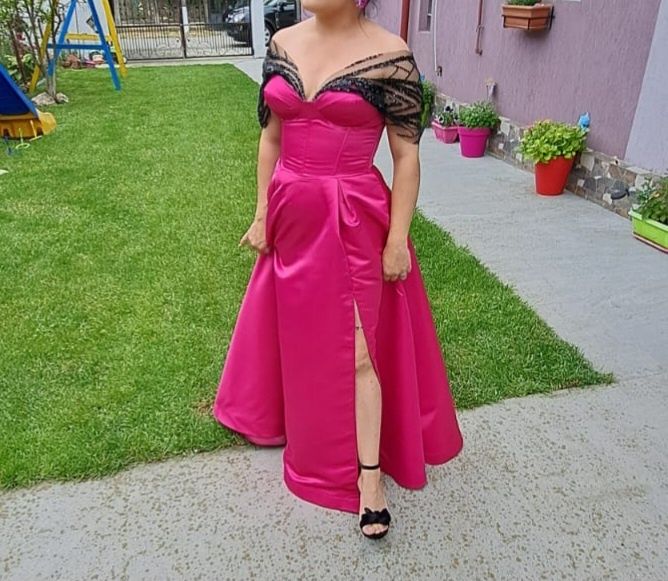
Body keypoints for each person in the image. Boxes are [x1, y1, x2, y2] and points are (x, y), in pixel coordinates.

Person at [213, 0, 463, 540]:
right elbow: (270, 139)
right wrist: (261, 214)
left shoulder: (391, 55)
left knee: (358, 349)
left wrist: (397, 240)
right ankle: (300, 435)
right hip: (293, 216)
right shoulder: (283, 42)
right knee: (298, 339)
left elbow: (406, 157)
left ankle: (368, 479)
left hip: (353, 219)